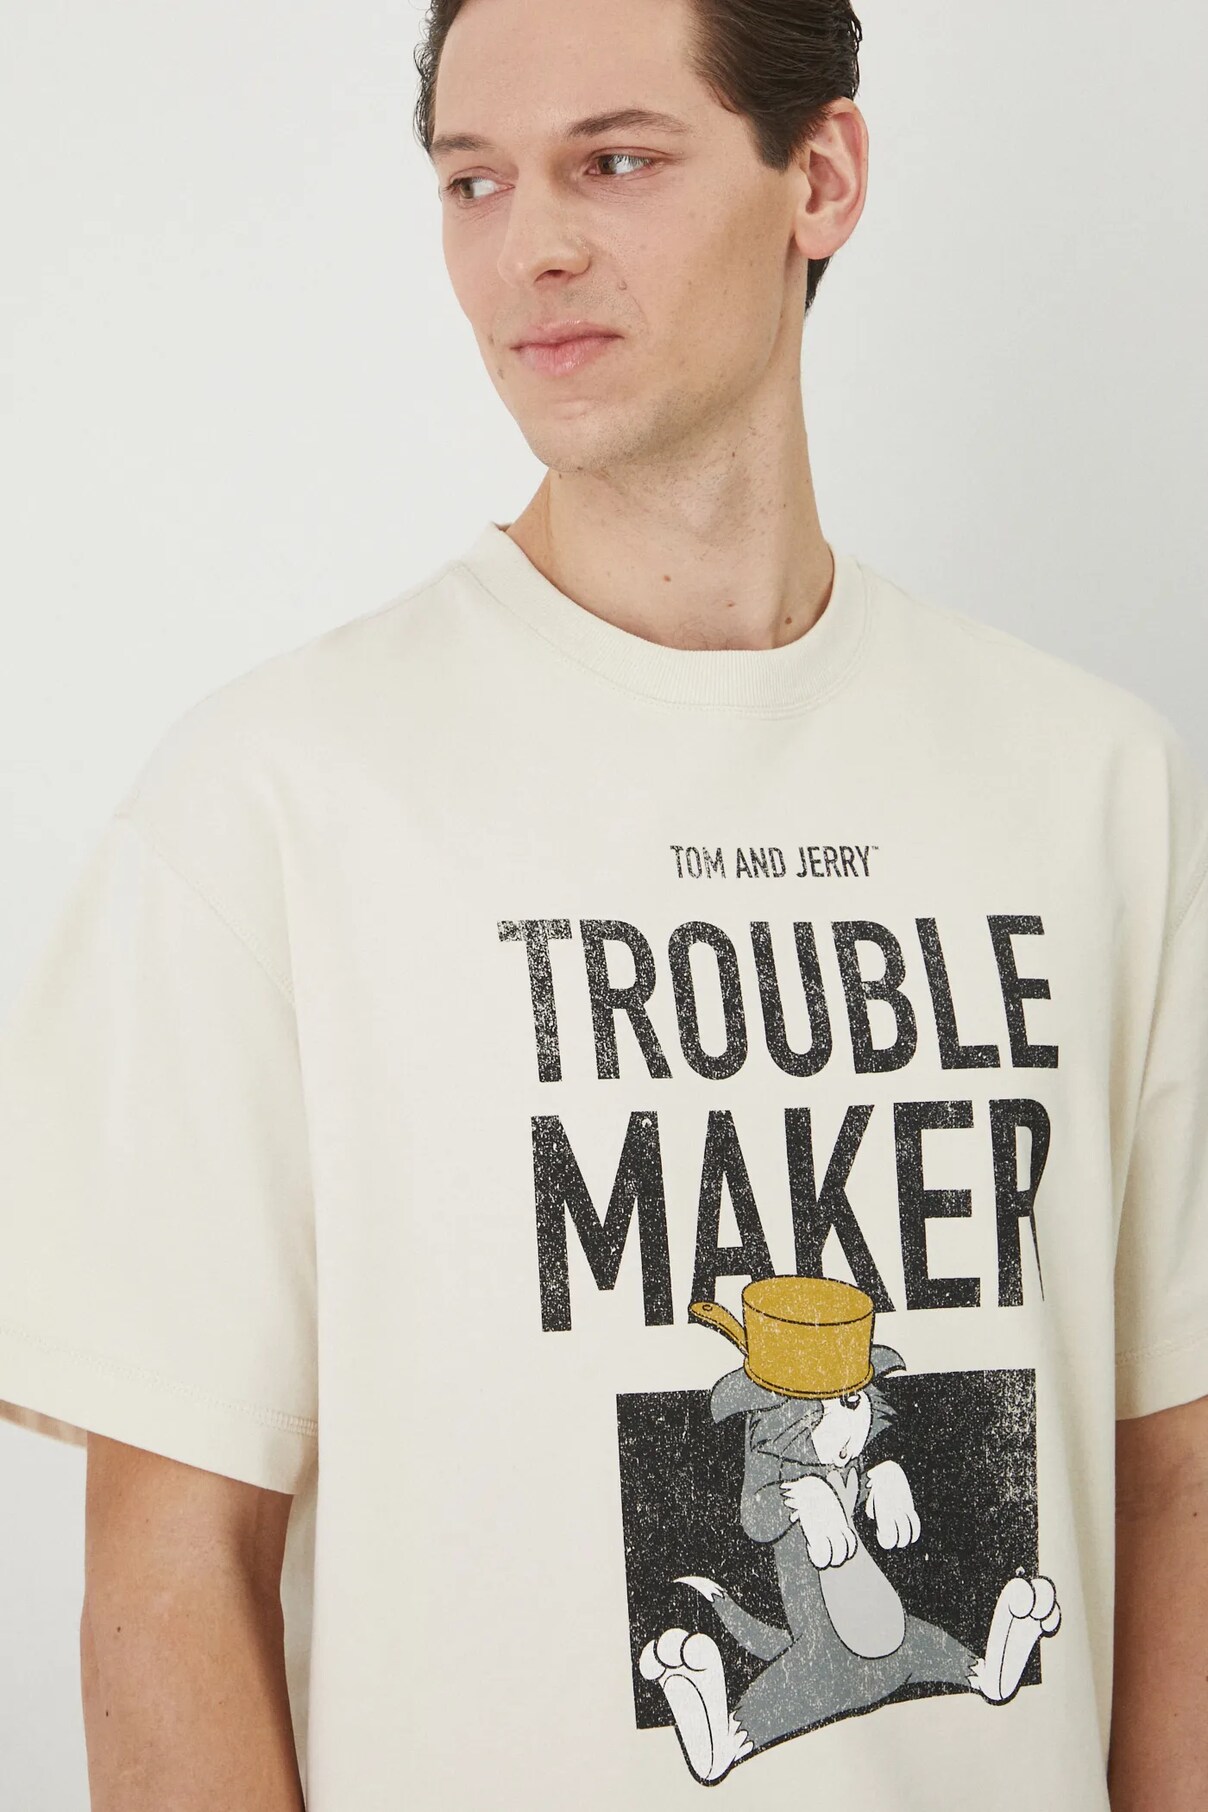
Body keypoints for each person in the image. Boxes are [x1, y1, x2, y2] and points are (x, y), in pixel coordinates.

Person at [0, 0, 1204, 1804]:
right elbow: (169, 1579)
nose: (530, 250)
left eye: (616, 162)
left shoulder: (1095, 789)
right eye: (473, 183)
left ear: (822, 176)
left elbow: (1174, 1483)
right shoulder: (270, 808)